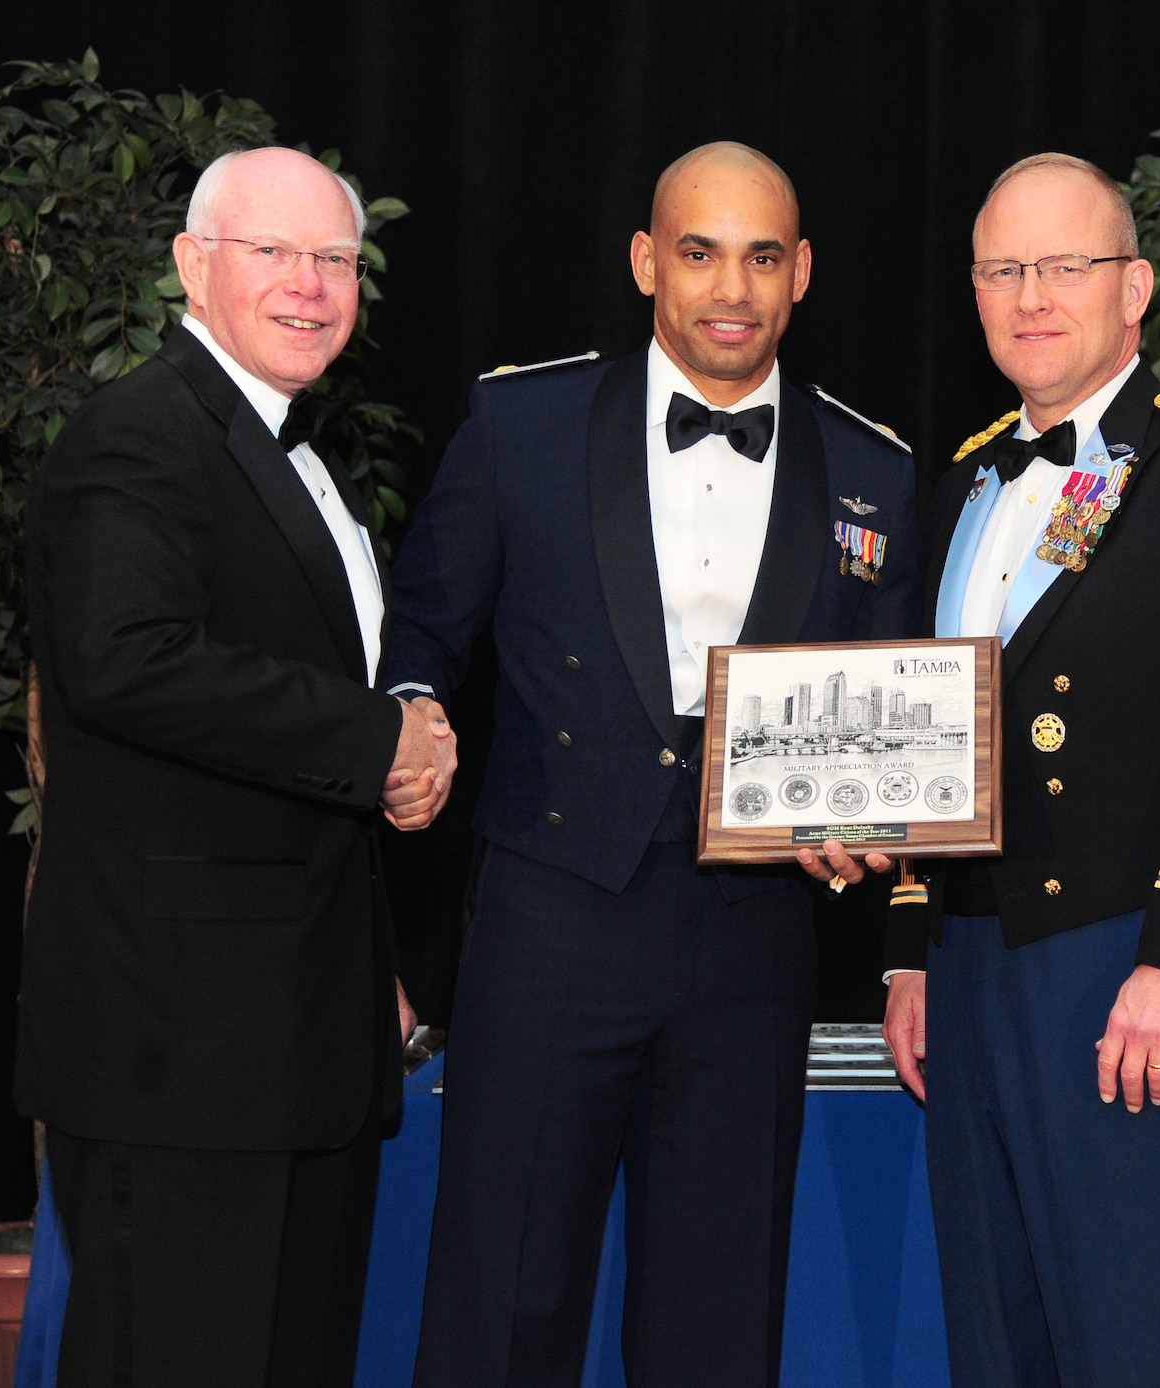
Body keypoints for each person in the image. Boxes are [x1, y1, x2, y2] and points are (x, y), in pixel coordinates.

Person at [386, 141, 919, 1386]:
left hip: (755, 941)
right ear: (645, 263)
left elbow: (896, 717)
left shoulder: (875, 469)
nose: (729, 287)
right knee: (500, 1301)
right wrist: (412, 706)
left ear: (800, 277)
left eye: (760, 255)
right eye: (698, 251)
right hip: (547, 918)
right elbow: (420, 627)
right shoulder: (521, 421)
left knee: (718, 1319)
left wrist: (876, 820)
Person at [874, 153, 1160, 1386]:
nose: (1031, 295)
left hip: (1133, 964)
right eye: (1002, 269)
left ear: (1132, 286)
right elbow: (932, 743)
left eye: (1063, 266)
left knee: (1152, 1341)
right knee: (1002, 1338)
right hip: (972, 974)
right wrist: (912, 945)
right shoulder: (962, 481)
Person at [19, 146, 456, 1388]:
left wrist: (402, 745)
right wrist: (377, 742)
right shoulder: (137, 435)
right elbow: (127, 660)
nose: (309, 286)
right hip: (180, 1053)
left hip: (296, 1038)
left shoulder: (293, 451)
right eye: (272, 253)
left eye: (332, 259)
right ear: (190, 267)